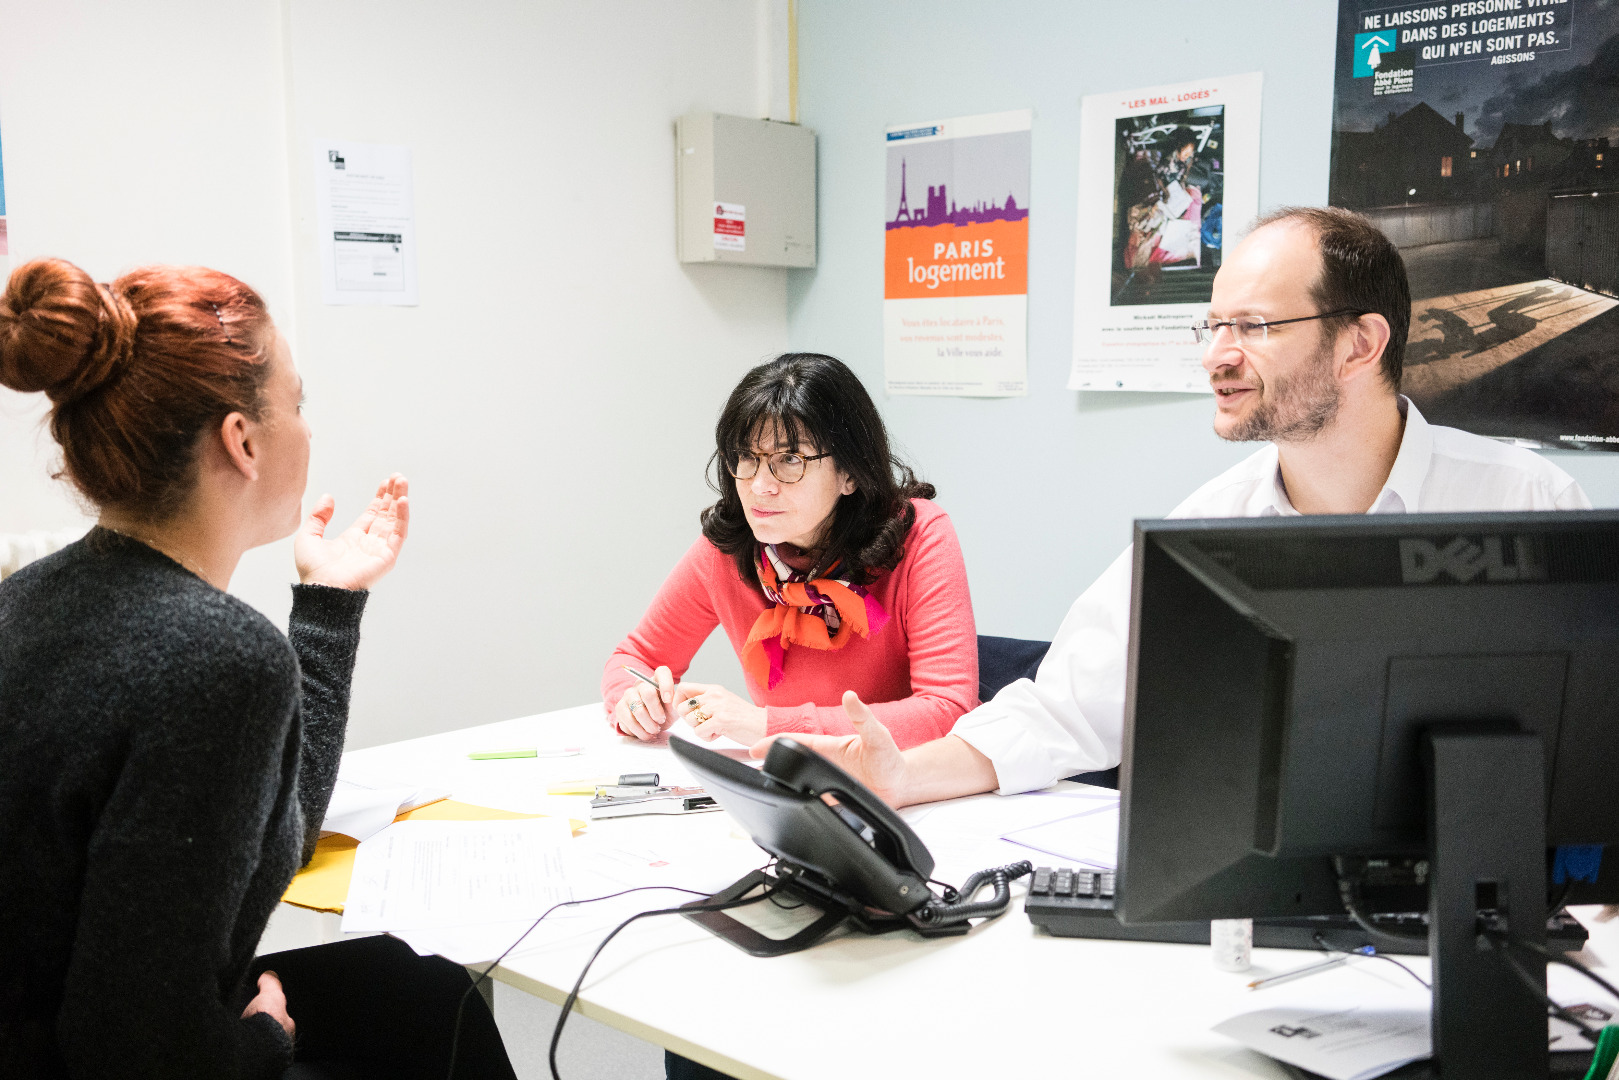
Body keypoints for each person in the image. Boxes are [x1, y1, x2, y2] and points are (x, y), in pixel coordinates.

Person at [779, 206, 1592, 808]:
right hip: (1268, 922)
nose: (1215, 357)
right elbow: (1066, 709)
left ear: (1359, 343)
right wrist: (900, 775)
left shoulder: (1525, 502)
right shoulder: (1210, 526)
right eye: (1210, 326)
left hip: (1489, 915)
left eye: (1252, 326)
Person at [0, 258, 513, 1079]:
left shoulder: (31, 598)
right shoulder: (215, 658)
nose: (308, 428)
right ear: (241, 441)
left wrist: (327, 604)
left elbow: (271, 835)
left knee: (418, 987)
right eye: (296, 404)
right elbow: (134, 1047)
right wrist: (266, 1040)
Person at [602, 352, 978, 750]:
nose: (760, 485)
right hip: (790, 783)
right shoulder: (730, 547)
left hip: (911, 790)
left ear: (850, 472)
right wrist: (634, 702)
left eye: (789, 460)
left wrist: (769, 725)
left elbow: (947, 710)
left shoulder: (918, 537)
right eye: (746, 458)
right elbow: (635, 657)